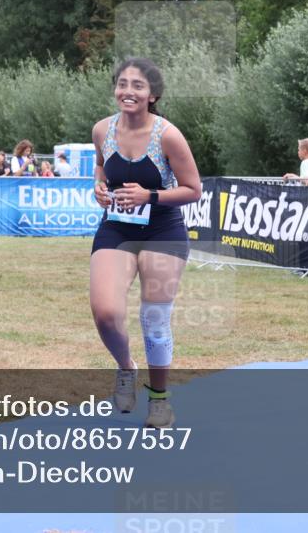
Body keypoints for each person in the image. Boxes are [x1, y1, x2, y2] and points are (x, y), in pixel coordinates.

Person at [90, 57, 201, 428]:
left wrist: (149, 196)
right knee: (106, 313)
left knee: (154, 318)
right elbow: (102, 167)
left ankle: (159, 400)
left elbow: (193, 190)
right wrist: (99, 189)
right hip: (116, 229)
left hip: (162, 230)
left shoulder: (168, 134)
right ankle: (126, 369)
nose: (128, 92)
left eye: (138, 86)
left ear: (152, 95)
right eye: (123, 84)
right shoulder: (102, 130)